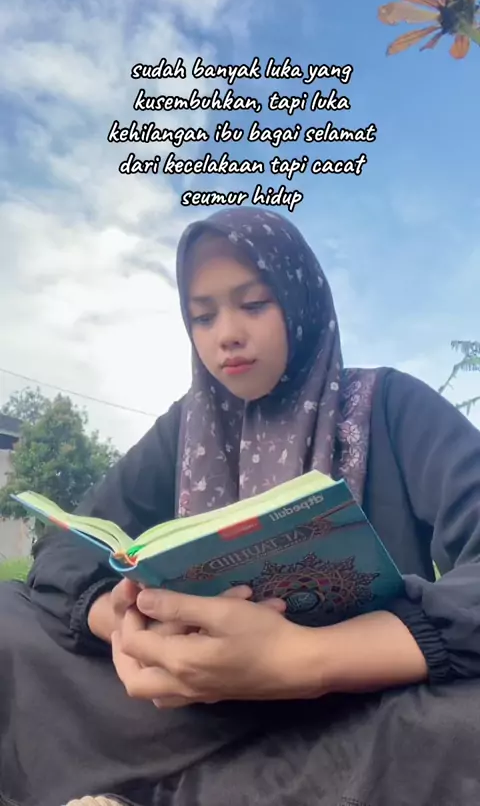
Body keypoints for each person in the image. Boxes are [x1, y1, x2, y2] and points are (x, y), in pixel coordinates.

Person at [2, 207, 480, 806]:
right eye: (203, 316)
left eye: (253, 304)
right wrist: (125, 629)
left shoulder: (391, 405)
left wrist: (307, 659)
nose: (225, 333)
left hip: (355, 708)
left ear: (302, 302)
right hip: (195, 708)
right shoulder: (186, 429)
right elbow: (66, 549)